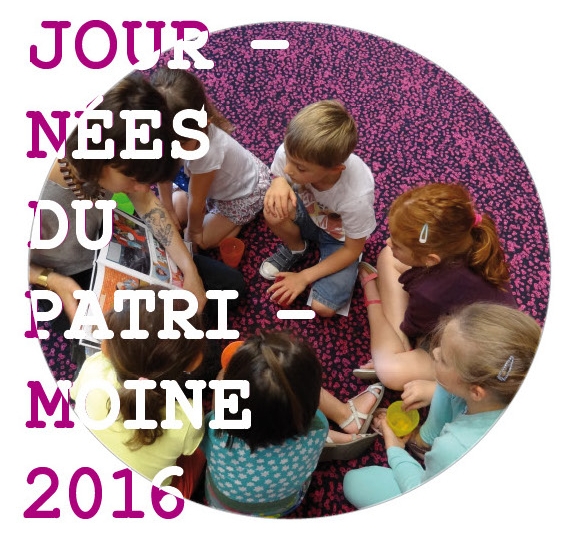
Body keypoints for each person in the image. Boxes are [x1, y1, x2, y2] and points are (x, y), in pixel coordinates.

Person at [29, 72, 245, 368]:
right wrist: (52, 281)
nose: (142, 188)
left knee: (230, 287)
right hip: (63, 273)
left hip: (110, 239)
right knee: (170, 364)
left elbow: (147, 204)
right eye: (133, 179)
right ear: (99, 158)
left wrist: (189, 270)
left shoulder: (116, 138)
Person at [342, 302, 541, 508]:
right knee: (445, 383)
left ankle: (422, 445)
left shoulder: (455, 446)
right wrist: (434, 389)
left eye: (444, 359)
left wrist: (395, 449)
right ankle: (423, 441)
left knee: (355, 482)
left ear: (476, 392)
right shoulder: (509, 383)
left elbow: (418, 487)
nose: (435, 352)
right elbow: (449, 383)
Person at [355, 182, 517, 405]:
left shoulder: (430, 292)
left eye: (398, 244)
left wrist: (379, 304)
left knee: (390, 371)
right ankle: (402, 350)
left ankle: (378, 310)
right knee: (387, 256)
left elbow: (412, 326)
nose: (388, 241)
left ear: (431, 259)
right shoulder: (471, 243)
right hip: (476, 323)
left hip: (474, 359)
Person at [70, 286, 209, 499]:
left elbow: (73, 395)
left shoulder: (93, 368)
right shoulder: (189, 417)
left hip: (84, 479)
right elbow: (190, 450)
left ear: (106, 348)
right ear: (194, 362)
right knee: (199, 454)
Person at [259, 100, 376, 318]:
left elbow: (352, 249)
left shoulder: (356, 197)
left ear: (335, 169)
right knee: (272, 208)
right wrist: (279, 182)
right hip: (310, 213)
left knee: (323, 308)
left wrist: (304, 276)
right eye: (288, 158)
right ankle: (297, 248)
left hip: (340, 240)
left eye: (300, 168)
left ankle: (335, 264)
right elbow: (281, 173)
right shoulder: (295, 150)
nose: (288, 169)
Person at [200, 331, 329, 517]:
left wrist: (220, 385)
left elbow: (211, 433)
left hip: (225, 507)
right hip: (284, 505)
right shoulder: (320, 426)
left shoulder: (216, 430)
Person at [150, 67, 271, 250]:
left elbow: (197, 202)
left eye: (181, 143)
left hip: (241, 194)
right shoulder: (167, 134)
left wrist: (194, 232)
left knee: (202, 242)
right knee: (175, 213)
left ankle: (236, 223)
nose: (172, 151)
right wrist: (167, 208)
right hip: (200, 186)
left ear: (203, 124)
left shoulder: (207, 152)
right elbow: (163, 173)